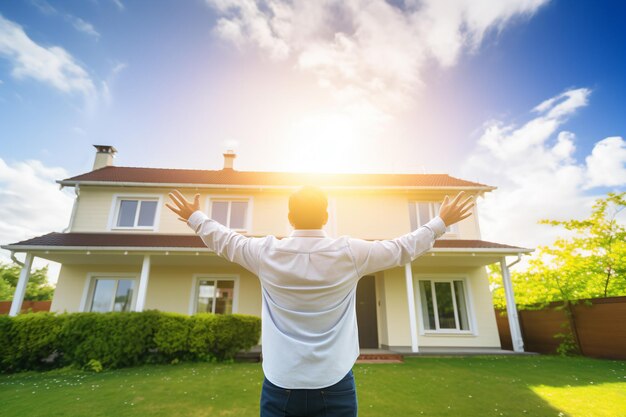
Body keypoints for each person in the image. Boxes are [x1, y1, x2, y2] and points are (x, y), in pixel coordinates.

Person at [166, 186, 474, 417]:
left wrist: (195, 216)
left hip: (280, 385)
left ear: (290, 217)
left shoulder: (265, 253)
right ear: (325, 217)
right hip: (335, 384)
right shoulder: (350, 253)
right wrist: (439, 223)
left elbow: (225, 240)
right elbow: (401, 249)